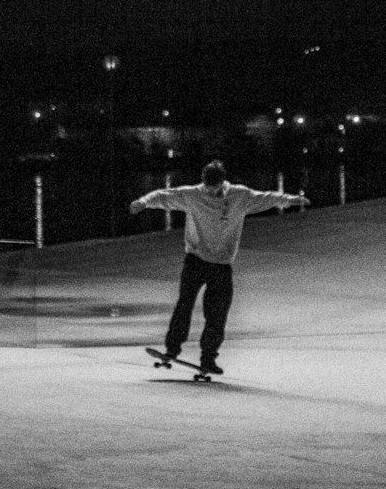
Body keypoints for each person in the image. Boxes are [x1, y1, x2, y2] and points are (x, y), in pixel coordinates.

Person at [130, 160, 308, 374]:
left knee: (217, 314)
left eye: (214, 188)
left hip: (222, 265)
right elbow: (163, 196)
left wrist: (293, 200)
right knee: (184, 305)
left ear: (222, 182)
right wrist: (143, 202)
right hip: (195, 260)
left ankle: (208, 358)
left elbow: (267, 198)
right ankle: (172, 348)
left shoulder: (240, 196)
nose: (210, 191)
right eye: (207, 186)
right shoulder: (193, 195)